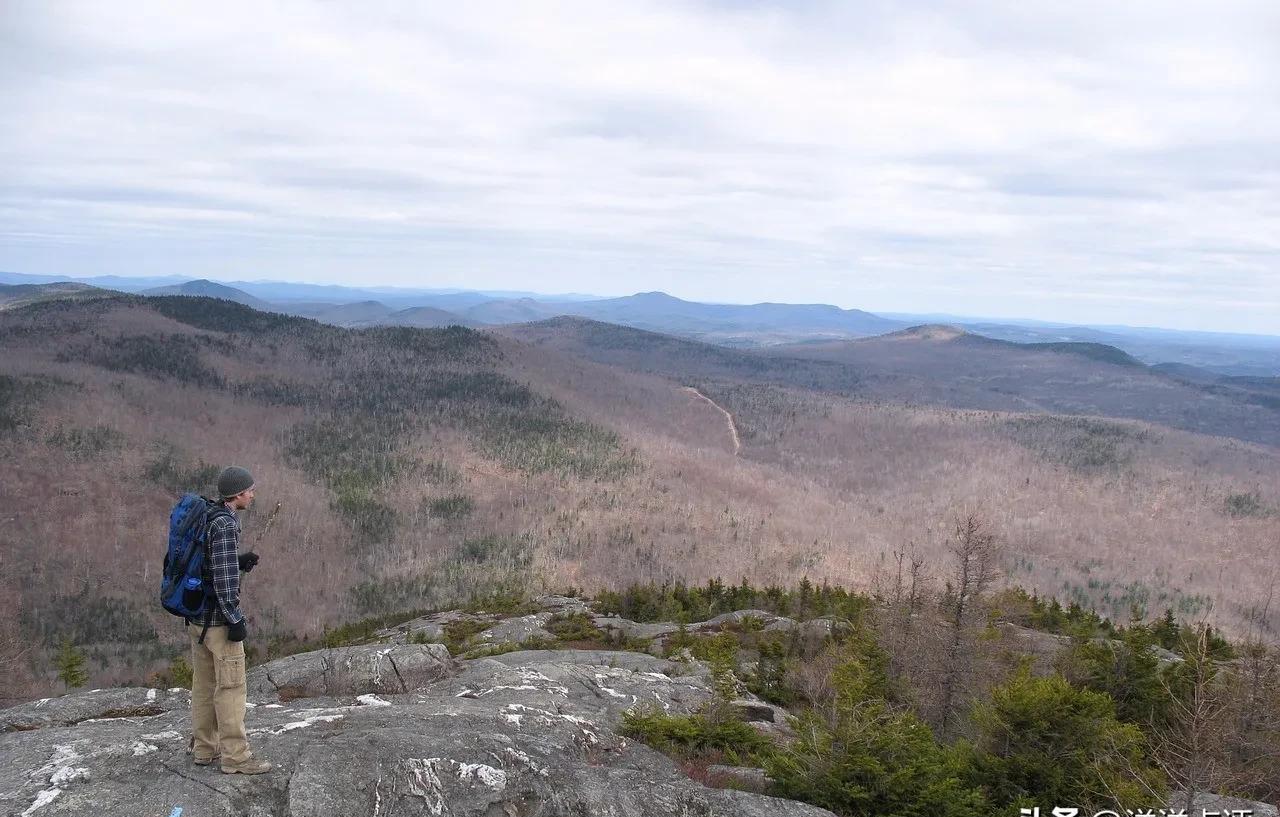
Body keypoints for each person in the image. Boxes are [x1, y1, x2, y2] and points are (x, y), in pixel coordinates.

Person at [189, 465, 271, 775]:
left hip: (197, 618)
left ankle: (204, 748)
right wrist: (235, 617)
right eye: (249, 490)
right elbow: (223, 581)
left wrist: (238, 560)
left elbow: (211, 563)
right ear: (237, 494)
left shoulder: (207, 515)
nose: (252, 494)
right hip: (218, 623)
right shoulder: (224, 524)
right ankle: (236, 757)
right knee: (232, 688)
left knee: (204, 685)